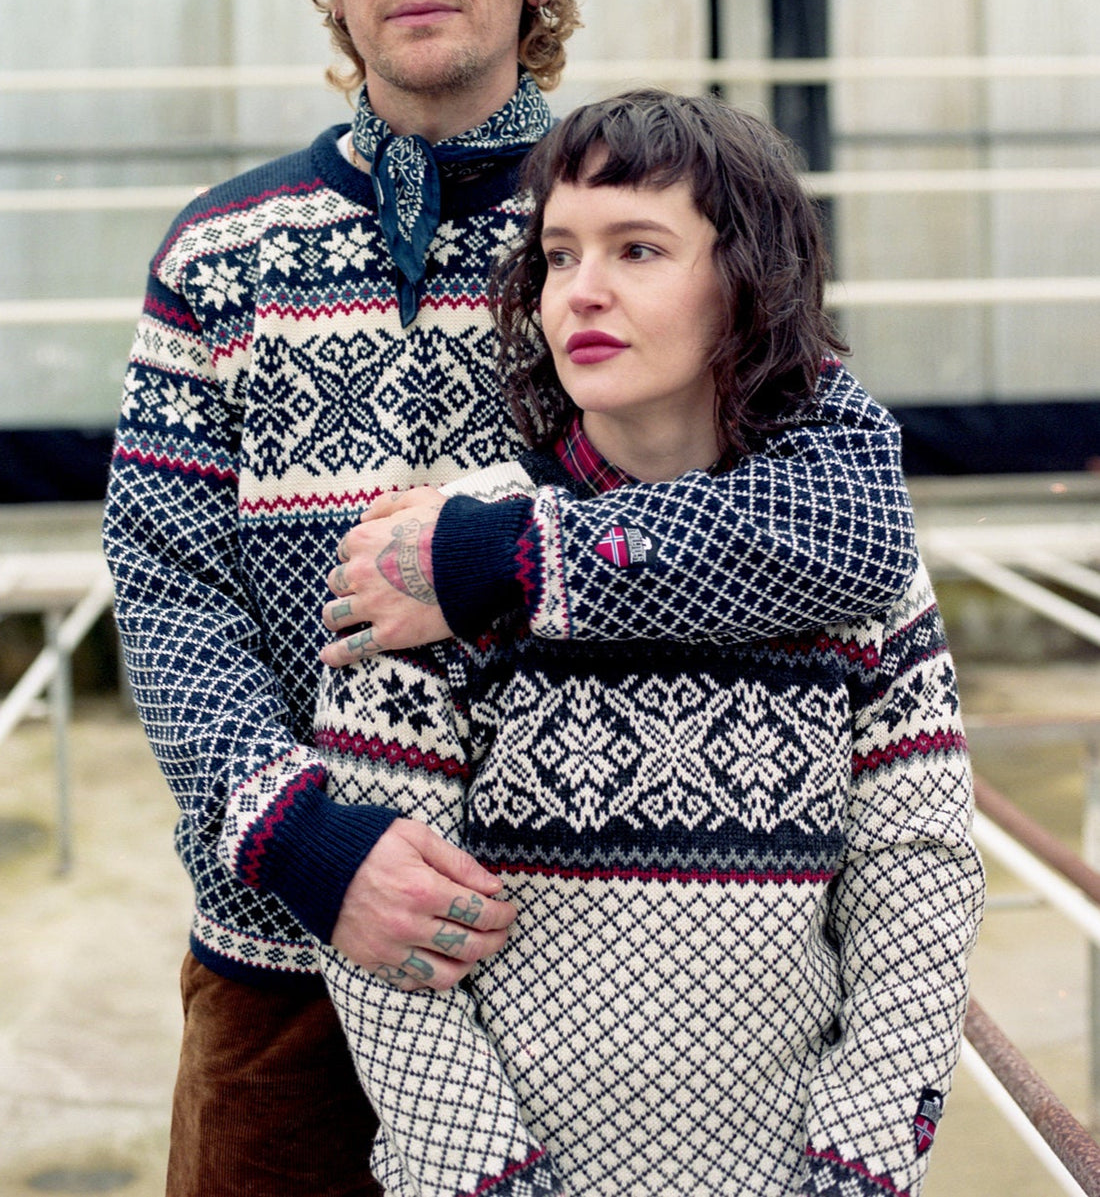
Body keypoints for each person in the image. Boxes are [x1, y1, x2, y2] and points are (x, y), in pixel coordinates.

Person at [103, 0, 919, 1197]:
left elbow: (840, 516)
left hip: (572, 965)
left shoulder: (641, 220)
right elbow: (170, 587)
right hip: (281, 959)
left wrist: (512, 559)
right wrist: (305, 837)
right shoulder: (217, 253)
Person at [316, 91, 984, 1197]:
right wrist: (487, 1181)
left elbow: (912, 880)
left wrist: (856, 1166)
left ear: (745, 280)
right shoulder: (435, 561)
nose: (580, 289)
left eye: (638, 248)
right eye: (558, 252)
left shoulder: (850, 565)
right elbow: (387, 950)